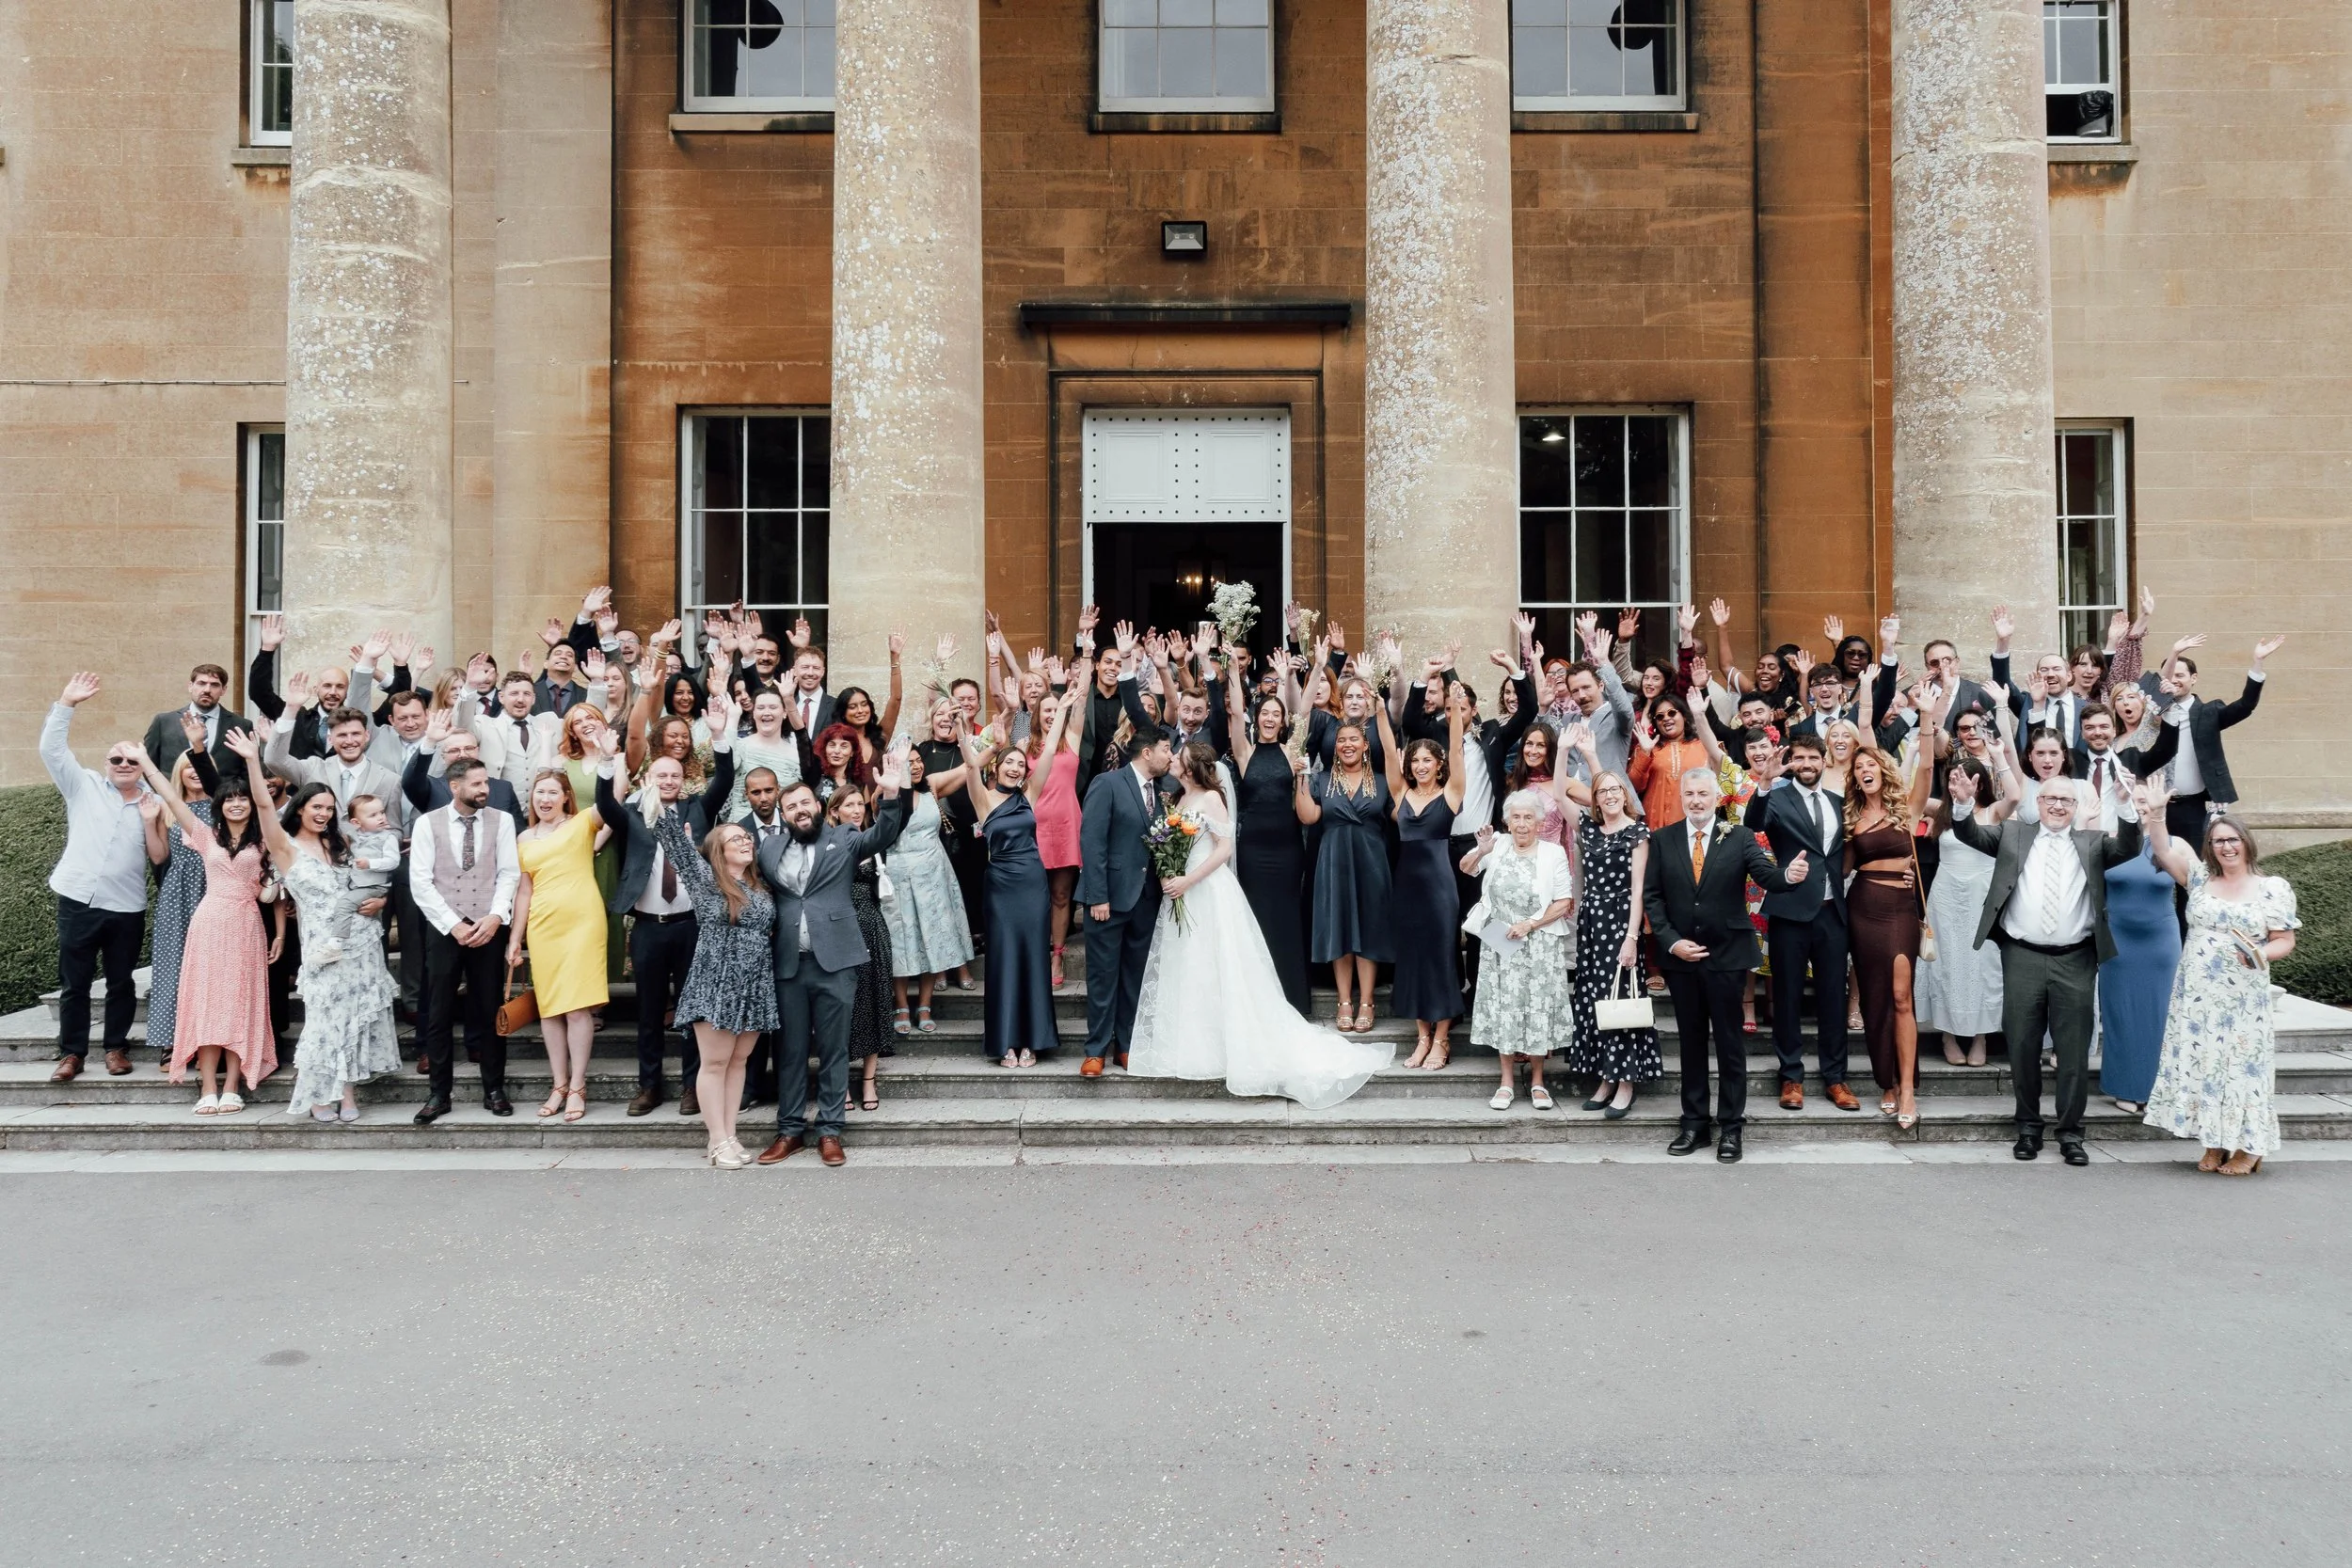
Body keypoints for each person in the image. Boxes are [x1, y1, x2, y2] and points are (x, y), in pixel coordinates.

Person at [1124, 740, 1393, 1106]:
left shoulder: (1211, 799)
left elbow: (1223, 849)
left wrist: (1188, 879)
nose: (1172, 759)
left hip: (1208, 890)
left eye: (1179, 757)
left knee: (1221, 967)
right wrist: (1170, 873)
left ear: (1191, 768)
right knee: (1190, 967)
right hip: (1182, 892)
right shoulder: (1176, 800)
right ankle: (1194, 1047)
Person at [1946, 766, 2141, 1165]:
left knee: (2072, 1052)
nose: (2057, 805)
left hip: (2076, 958)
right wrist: (1964, 804)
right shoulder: (2013, 835)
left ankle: (2071, 1133)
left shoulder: (2093, 842)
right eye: (2050, 798)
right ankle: (2028, 1128)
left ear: (2076, 806)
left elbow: (2131, 847)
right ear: (2039, 802)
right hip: (2022, 955)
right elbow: (1970, 834)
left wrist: (2126, 807)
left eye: (2065, 800)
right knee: (2022, 1045)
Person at [222, 728, 401, 1122]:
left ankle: (348, 1093)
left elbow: (372, 881)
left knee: (353, 1019)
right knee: (324, 1019)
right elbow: (265, 808)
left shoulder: (343, 845)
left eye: (329, 808)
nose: (323, 814)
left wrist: (381, 900)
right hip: (323, 948)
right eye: (316, 807)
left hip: (362, 942)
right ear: (301, 808)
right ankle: (320, 1094)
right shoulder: (285, 847)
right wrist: (254, 760)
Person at [754, 745, 912, 1168]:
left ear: (819, 806)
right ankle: (788, 1131)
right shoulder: (768, 850)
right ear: (783, 814)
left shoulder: (843, 838)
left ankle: (829, 1130)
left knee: (834, 1048)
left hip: (837, 962)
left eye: (805, 802)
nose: (799, 810)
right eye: (791, 806)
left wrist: (892, 795)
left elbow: (883, 835)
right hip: (788, 963)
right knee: (788, 1051)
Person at [2137, 795, 2296, 1175]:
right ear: (2210, 846)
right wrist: (2157, 814)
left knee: (2242, 1067)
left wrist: (2260, 954)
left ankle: (2250, 1147)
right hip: (2196, 993)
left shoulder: (2271, 887)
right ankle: (2213, 1141)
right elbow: (2161, 847)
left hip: (2241, 994)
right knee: (2205, 1063)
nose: (2226, 846)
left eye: (2232, 839)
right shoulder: (2199, 878)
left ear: (2246, 843)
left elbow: (2284, 940)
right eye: (2218, 841)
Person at [1646, 768, 1796, 1164]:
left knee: (1730, 1045)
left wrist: (1789, 876)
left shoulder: (1740, 836)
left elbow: (1766, 876)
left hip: (1727, 956)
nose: (1696, 800)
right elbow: (1653, 898)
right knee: (1691, 1044)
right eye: (1690, 794)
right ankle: (1694, 1124)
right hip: (1682, 959)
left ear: (1716, 797)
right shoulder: (1662, 839)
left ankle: (1731, 1127)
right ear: (1682, 797)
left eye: (1703, 794)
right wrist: (1672, 942)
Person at [596, 702, 738, 1115]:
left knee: (693, 1010)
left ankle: (693, 1087)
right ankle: (649, 1085)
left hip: (691, 925)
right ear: (649, 779)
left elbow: (725, 781)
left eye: (676, 775)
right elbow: (605, 804)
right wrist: (607, 761)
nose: (670, 780)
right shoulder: (633, 813)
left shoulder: (697, 809)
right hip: (648, 927)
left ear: (684, 778)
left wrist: (719, 735)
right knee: (649, 1010)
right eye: (662, 775)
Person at [130, 746, 277, 1112]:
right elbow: (169, 795)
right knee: (208, 1003)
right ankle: (207, 1085)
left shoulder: (264, 840)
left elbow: (269, 888)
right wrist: (145, 761)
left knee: (239, 1003)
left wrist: (254, 761)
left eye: (243, 799)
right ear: (220, 805)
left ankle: (233, 1084)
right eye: (230, 800)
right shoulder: (205, 835)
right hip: (209, 922)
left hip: (246, 924)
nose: (237, 804)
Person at [650, 790, 779, 1170]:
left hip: (754, 982)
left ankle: (731, 1134)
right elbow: (675, 841)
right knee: (715, 1062)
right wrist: (657, 801)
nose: (746, 840)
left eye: (747, 837)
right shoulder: (706, 879)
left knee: (739, 1061)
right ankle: (716, 1139)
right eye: (735, 838)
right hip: (717, 979)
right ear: (717, 851)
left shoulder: (760, 886)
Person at [42, 673, 158, 1082]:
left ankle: (115, 1048)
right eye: (116, 759)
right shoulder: (84, 786)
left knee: (121, 983)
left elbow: (161, 851)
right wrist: (66, 703)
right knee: (74, 984)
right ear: (106, 764)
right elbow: (52, 751)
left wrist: (150, 815)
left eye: (133, 760)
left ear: (143, 767)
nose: (124, 765)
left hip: (127, 905)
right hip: (78, 899)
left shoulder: (154, 801)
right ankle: (71, 1054)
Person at [1743, 732, 1859, 1112]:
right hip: (1790, 910)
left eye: (1813, 758)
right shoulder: (1776, 797)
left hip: (1832, 912)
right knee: (1789, 997)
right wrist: (1764, 781)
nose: (1807, 765)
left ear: (1824, 761)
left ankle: (1836, 1078)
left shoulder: (1838, 802)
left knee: (1832, 998)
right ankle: (1791, 1077)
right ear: (1790, 762)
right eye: (1800, 759)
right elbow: (1753, 822)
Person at [407, 757, 522, 1125]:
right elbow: (421, 882)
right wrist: (453, 924)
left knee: (488, 1009)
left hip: (489, 927)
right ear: (455, 787)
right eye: (476, 784)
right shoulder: (428, 823)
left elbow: (509, 873)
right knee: (439, 1012)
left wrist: (495, 917)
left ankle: (494, 1089)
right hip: (444, 930)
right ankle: (439, 1094)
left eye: (485, 782)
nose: (484, 789)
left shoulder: (502, 820)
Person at [960, 704, 1063, 1066]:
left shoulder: (1029, 796)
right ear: (997, 766)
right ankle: (1006, 1041)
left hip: (1032, 884)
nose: (1016, 767)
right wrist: (962, 729)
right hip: (1000, 886)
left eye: (1021, 764)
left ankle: (1032, 1042)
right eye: (1010, 762)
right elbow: (971, 765)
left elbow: (1048, 751)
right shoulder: (984, 800)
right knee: (1003, 960)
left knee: (1034, 956)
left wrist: (1061, 709)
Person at [507, 768, 612, 1123]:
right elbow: (524, 890)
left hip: (583, 922)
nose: (546, 799)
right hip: (542, 925)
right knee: (550, 1008)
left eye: (553, 792)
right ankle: (558, 1084)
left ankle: (579, 1085)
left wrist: (610, 763)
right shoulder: (524, 838)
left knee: (577, 1007)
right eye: (540, 792)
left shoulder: (583, 822)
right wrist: (514, 939)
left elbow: (611, 804)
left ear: (566, 796)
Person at [1462, 793, 1578, 1109]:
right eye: (1516, 817)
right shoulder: (1496, 845)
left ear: (1539, 822)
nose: (1522, 824)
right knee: (1505, 1009)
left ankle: (1538, 1081)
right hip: (1500, 940)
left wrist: (1529, 924)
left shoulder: (1553, 853)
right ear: (1507, 821)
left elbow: (1564, 902)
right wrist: (1480, 851)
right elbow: (1466, 868)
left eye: (1529, 818)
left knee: (1538, 1009)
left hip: (1539, 943)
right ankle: (1506, 1082)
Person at [1078, 702, 1173, 1073]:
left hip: (1146, 899)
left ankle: (1127, 1044)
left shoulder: (1161, 791)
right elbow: (1092, 841)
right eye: (1166, 749)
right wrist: (1097, 895)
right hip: (1109, 898)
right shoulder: (1108, 783)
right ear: (1147, 751)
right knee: (1103, 975)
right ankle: (1096, 1050)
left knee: (1136, 974)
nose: (1171, 756)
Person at [1295, 703, 1402, 1034]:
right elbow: (1308, 816)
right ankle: (1344, 1000)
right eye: (1342, 740)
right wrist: (1300, 778)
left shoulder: (1383, 782)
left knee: (1369, 928)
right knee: (1338, 926)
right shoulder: (1322, 779)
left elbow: (1400, 815)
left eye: (1354, 739)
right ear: (1335, 746)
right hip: (1333, 860)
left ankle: (1367, 1001)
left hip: (1372, 860)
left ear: (1365, 744)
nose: (1347, 745)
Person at [1914, 743, 2020, 1067]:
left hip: (1982, 895)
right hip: (1946, 896)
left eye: (1968, 779)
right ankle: (1947, 1034)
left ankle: (1980, 1037)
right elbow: (1911, 796)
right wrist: (1921, 754)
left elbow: (2015, 796)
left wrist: (2000, 756)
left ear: (1981, 783)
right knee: (1948, 963)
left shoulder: (1993, 812)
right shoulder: (1941, 811)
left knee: (1983, 965)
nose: (1959, 784)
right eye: (1954, 779)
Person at [1843, 746, 1925, 1127]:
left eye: (1870, 763)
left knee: (1901, 996)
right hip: (1863, 908)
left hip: (1900, 909)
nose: (1864, 770)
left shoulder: (1906, 806)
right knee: (1876, 999)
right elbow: (1841, 869)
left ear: (1882, 768)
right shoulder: (1851, 816)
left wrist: (1926, 714)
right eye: (1858, 767)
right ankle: (1886, 1082)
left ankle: (1907, 1087)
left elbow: (1925, 766)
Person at [1567, 770, 1656, 1117]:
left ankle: (1626, 1083)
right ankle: (1606, 1077)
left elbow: (1638, 892)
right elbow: (1560, 791)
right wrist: (1565, 751)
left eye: (1615, 789)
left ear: (1624, 794)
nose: (1609, 795)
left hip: (1621, 923)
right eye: (1602, 791)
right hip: (1592, 923)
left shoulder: (1637, 832)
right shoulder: (1589, 830)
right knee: (1596, 1001)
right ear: (1595, 799)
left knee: (1621, 1000)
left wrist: (1632, 938)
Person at [1391, 689, 1470, 1069]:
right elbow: (1390, 750)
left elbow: (1456, 750)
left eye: (1427, 760)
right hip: (1405, 887)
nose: (1420, 765)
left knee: (1440, 959)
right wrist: (1377, 708)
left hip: (1440, 886)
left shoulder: (1451, 793)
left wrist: (1453, 708)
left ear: (1438, 765)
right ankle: (1422, 1036)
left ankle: (1442, 1039)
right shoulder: (1401, 793)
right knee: (1413, 959)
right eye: (1415, 760)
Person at [1225, 674, 1311, 1015]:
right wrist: (1232, 666)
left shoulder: (1292, 751)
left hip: (1288, 849)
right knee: (1256, 917)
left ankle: (1292, 998)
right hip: (1253, 850)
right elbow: (1234, 712)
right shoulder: (1244, 752)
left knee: (1286, 917)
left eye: (1277, 714)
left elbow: (1303, 712)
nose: (1270, 718)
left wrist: (1313, 667)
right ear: (1258, 717)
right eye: (1265, 713)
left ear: (1282, 720)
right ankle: (1257, 998)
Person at [2153, 635, 2284, 852]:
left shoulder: (2208, 713)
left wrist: (2257, 663)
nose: (2174, 680)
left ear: (2193, 678)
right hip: (2154, 807)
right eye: (2170, 674)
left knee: (2194, 867)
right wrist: (2174, 653)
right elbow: (2154, 695)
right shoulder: (2151, 713)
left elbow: (2245, 706)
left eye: (2180, 675)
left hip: (2192, 807)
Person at [882, 746, 975, 1037]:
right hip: (898, 872)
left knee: (930, 937)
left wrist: (991, 744)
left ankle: (924, 1005)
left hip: (934, 871)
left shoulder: (931, 787)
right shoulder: (884, 795)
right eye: (909, 762)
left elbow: (970, 766)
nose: (917, 766)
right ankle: (900, 1005)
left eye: (919, 759)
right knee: (901, 939)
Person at [142, 720, 218, 1069]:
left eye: (198, 767)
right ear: (179, 773)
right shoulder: (168, 807)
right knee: (173, 965)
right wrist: (148, 820)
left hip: (215, 888)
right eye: (186, 768)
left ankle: (208, 1038)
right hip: (177, 892)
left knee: (213, 967)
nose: (194, 773)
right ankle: (171, 1041)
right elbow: (159, 857)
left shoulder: (222, 805)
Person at [829, 787, 898, 1112]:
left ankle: (869, 1079)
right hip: (839, 929)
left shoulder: (872, 842)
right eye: (849, 805)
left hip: (872, 926)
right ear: (834, 811)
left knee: (874, 1000)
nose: (856, 810)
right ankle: (840, 1080)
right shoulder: (827, 845)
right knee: (844, 1007)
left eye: (859, 804)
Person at [1030, 653, 1089, 990]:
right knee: (1035, 895)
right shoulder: (1026, 745)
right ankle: (1035, 951)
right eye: (1047, 710)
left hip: (1067, 826)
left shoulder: (1072, 739)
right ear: (1038, 715)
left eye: (1057, 709)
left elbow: (1082, 696)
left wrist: (1087, 650)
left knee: (1062, 895)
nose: (1052, 714)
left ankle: (1057, 953)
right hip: (1035, 827)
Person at [142, 661, 252, 780]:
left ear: (223, 690)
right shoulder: (164, 722)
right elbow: (148, 765)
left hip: (222, 796)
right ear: (190, 686)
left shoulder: (241, 725)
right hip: (174, 795)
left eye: (214, 685)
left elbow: (248, 772)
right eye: (201, 683)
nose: (207, 690)